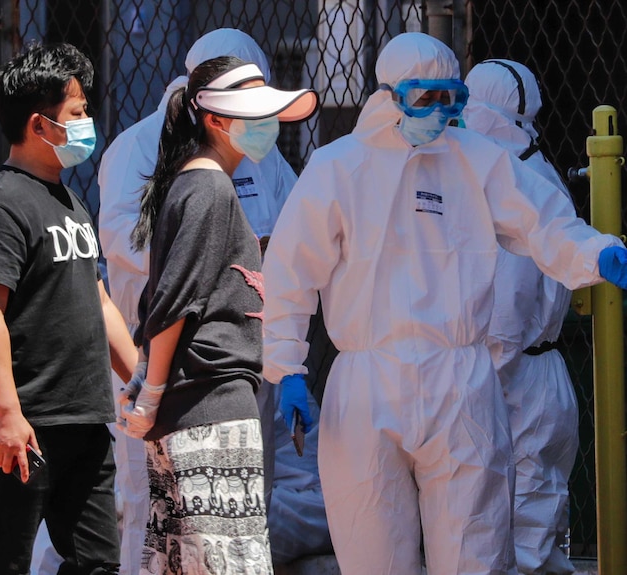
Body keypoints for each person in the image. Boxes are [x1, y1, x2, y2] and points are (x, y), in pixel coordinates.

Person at [261, 32, 627, 575]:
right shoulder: (338, 167)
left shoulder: (476, 161)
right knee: (372, 547)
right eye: (424, 98)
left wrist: (597, 253)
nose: (439, 112)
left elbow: (542, 220)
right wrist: (285, 365)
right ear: (388, 96)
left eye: (451, 99)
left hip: (460, 382)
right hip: (368, 383)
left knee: (474, 548)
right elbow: (291, 271)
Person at [97, 28, 330, 572]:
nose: (267, 126)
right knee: (194, 540)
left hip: (216, 388)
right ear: (215, 117)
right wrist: (150, 388)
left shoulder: (222, 172)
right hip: (193, 392)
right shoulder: (187, 174)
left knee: (199, 549)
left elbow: (297, 228)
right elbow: (169, 286)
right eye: (254, 111)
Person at [0, 42, 138, 575]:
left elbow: (97, 297)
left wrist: (140, 383)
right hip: (27, 423)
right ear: (40, 125)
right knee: (5, 560)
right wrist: (8, 414)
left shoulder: (71, 202)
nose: (88, 123)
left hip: (85, 416)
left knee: (98, 562)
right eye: (77, 113)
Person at [464, 59, 578, 575]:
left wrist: (482, 378)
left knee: (522, 528)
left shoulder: (519, 186)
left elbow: (509, 310)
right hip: (530, 373)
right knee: (531, 518)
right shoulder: (531, 173)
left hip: (515, 376)